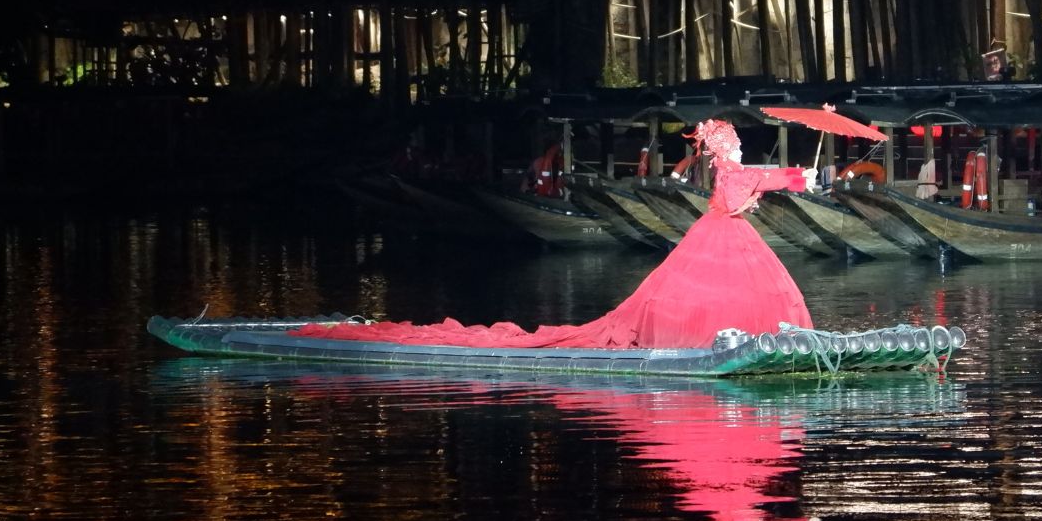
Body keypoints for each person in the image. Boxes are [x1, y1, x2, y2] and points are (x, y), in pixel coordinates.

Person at [300, 119, 813, 350]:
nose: (740, 150)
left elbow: (749, 187)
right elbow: (749, 183)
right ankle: (721, 345)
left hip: (728, 238)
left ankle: (744, 341)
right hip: (720, 241)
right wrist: (798, 177)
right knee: (719, 296)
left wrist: (784, 181)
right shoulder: (730, 171)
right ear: (723, 149)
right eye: (735, 144)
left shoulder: (732, 173)